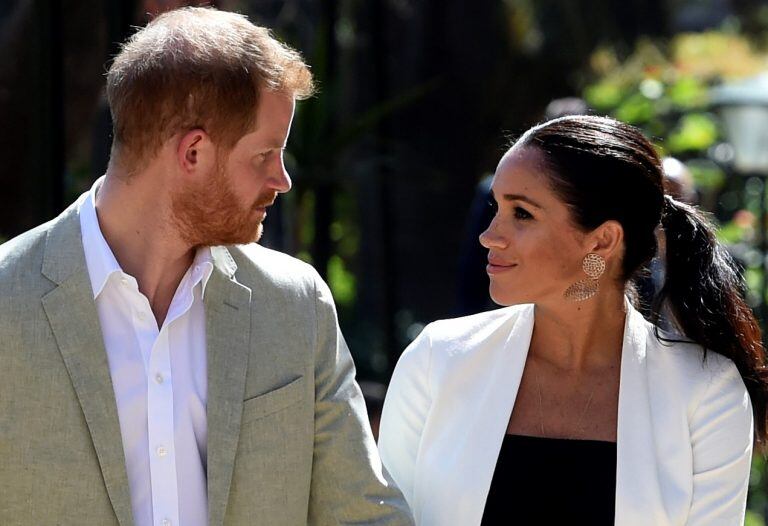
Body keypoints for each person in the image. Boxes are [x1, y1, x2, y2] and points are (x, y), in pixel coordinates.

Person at [0, 7, 412, 526]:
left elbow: (364, 514)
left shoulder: (294, 303)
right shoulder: (6, 303)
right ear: (193, 152)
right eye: (266, 154)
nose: (282, 179)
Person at [379, 115, 767, 525]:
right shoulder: (438, 358)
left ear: (601, 241)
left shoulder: (706, 392)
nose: (489, 235)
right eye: (497, 207)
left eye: (522, 214)